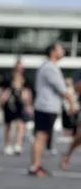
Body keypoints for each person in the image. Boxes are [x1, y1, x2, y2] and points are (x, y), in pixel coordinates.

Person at [27, 42, 69, 177]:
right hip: (46, 106)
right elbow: (61, 88)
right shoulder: (50, 68)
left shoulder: (47, 66)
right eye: (60, 49)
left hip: (46, 106)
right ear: (52, 51)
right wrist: (72, 102)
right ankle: (35, 166)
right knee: (41, 136)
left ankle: (36, 165)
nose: (63, 51)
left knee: (42, 136)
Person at [1, 66, 27, 155]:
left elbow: (25, 98)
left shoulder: (22, 88)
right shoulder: (8, 87)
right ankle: (8, 145)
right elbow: (3, 98)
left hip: (18, 107)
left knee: (20, 125)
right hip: (9, 107)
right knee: (8, 126)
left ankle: (18, 145)